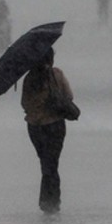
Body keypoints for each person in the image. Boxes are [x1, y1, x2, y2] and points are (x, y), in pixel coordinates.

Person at [21, 47, 73, 214]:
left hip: (35, 127)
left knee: (45, 162)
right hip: (55, 124)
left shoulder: (29, 78)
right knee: (52, 162)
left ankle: (48, 201)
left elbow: (25, 104)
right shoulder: (57, 74)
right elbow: (69, 96)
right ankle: (52, 201)